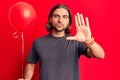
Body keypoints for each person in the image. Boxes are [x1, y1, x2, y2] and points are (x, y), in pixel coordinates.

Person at [18, 4, 105, 80]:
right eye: (56, 16)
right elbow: (31, 64)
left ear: (69, 22)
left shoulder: (75, 41)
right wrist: (26, 79)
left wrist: (88, 41)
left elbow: (101, 55)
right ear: (50, 19)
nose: (60, 20)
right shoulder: (38, 42)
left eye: (65, 17)